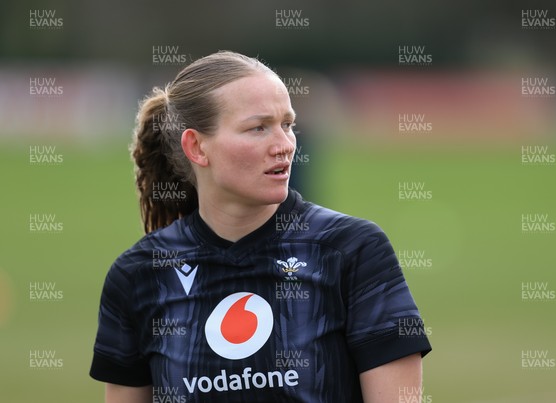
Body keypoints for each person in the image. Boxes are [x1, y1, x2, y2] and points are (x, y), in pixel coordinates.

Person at [90, 51, 431, 403]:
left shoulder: (353, 251)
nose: (284, 145)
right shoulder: (138, 275)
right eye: (258, 128)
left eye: (287, 124)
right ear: (196, 146)